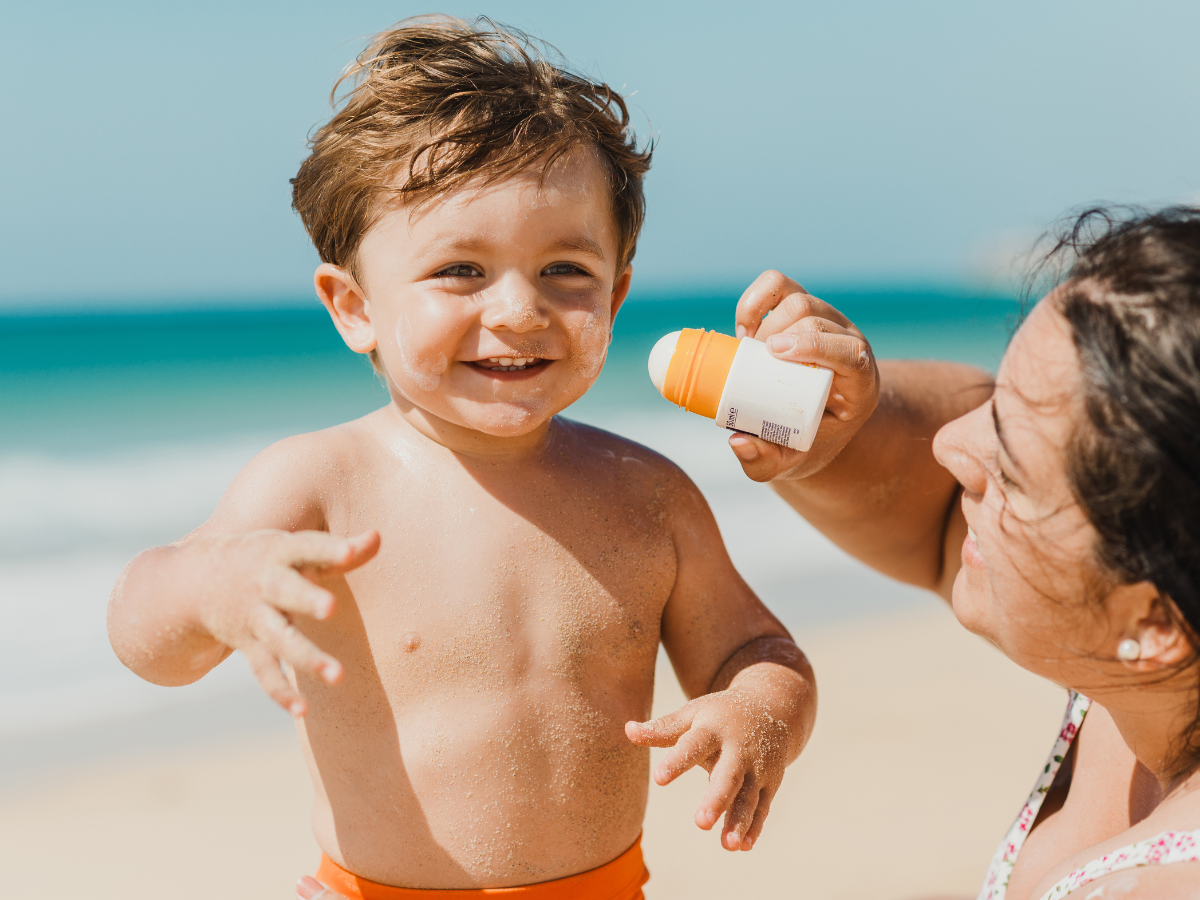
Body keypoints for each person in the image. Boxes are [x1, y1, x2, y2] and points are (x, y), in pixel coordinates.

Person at [106, 17, 819, 900]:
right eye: (461, 271)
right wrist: (209, 587)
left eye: (565, 270)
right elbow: (145, 639)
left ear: (618, 289)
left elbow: (756, 647)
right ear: (354, 306)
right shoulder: (321, 486)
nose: (520, 310)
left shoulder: (650, 497)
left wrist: (757, 710)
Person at [725, 206, 1200, 899]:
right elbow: (937, 513)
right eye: (1001, 389)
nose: (949, 446)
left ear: (1154, 625)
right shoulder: (1143, 665)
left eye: (1008, 467)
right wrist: (849, 418)